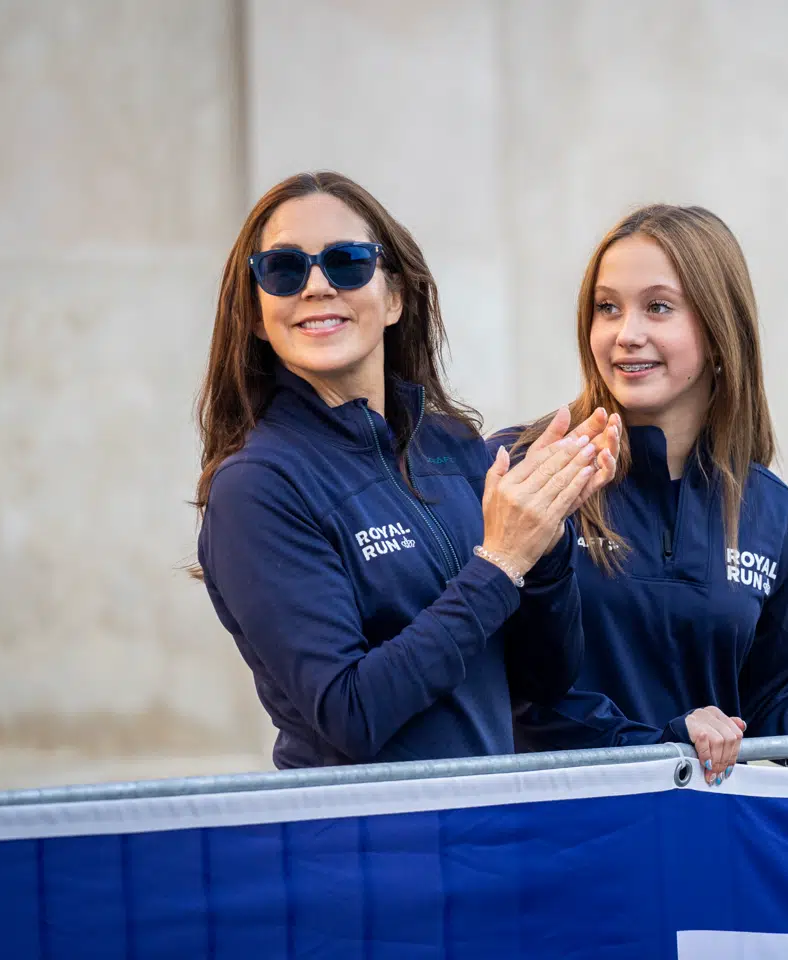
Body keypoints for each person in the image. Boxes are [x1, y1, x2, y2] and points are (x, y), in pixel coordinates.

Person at [498, 205, 788, 784]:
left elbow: (766, 699)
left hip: (700, 829)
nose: (626, 334)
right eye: (607, 307)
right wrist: (663, 747)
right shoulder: (524, 467)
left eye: (658, 307)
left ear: (719, 330)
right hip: (558, 822)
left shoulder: (770, 510)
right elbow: (510, 685)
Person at [194, 171, 620, 769]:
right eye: (284, 269)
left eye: (346, 261)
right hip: (368, 827)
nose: (316, 286)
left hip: (487, 819)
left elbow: (541, 680)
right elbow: (351, 714)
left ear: (394, 296)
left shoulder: (452, 446)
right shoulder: (257, 487)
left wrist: (544, 543)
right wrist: (500, 562)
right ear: (257, 314)